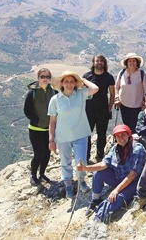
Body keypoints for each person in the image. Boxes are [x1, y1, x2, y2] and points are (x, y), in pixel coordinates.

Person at [77, 124, 146, 223]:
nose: (120, 138)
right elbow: (104, 164)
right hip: (119, 177)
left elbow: (132, 174)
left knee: (114, 199)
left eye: (123, 135)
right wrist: (86, 168)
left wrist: (116, 190)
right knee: (98, 173)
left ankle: (97, 220)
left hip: (133, 183)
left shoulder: (137, 149)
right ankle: (95, 199)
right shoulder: (116, 148)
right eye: (117, 136)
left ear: (128, 135)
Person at [48, 70, 99, 198]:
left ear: (75, 83)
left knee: (81, 161)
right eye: (66, 81)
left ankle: (81, 182)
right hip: (62, 136)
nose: (69, 84)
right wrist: (51, 140)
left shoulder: (81, 94)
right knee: (65, 162)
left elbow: (95, 88)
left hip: (80, 134)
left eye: (72, 81)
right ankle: (68, 186)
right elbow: (52, 121)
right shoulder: (55, 99)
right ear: (62, 84)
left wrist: (83, 80)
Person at [23, 68, 57, 186]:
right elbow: (26, 110)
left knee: (47, 153)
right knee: (38, 153)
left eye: (47, 77)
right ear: (38, 78)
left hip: (49, 129)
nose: (45, 79)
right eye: (42, 76)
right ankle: (33, 175)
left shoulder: (53, 91)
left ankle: (42, 174)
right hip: (35, 129)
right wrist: (35, 119)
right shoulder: (32, 93)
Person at [83, 55, 115, 162]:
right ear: (93, 62)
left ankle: (99, 156)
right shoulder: (87, 76)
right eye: (97, 61)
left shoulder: (108, 77)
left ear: (104, 63)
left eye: (101, 61)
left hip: (103, 110)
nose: (99, 62)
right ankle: (86, 156)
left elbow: (112, 94)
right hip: (89, 110)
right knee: (87, 133)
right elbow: (81, 92)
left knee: (102, 134)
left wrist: (109, 108)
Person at [114, 53, 146, 133]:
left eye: (134, 61)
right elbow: (117, 88)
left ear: (137, 62)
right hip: (123, 105)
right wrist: (117, 98)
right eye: (129, 61)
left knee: (134, 128)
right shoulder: (122, 73)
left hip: (137, 106)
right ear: (126, 63)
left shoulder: (142, 74)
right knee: (126, 126)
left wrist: (145, 104)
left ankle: (133, 143)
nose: (132, 63)